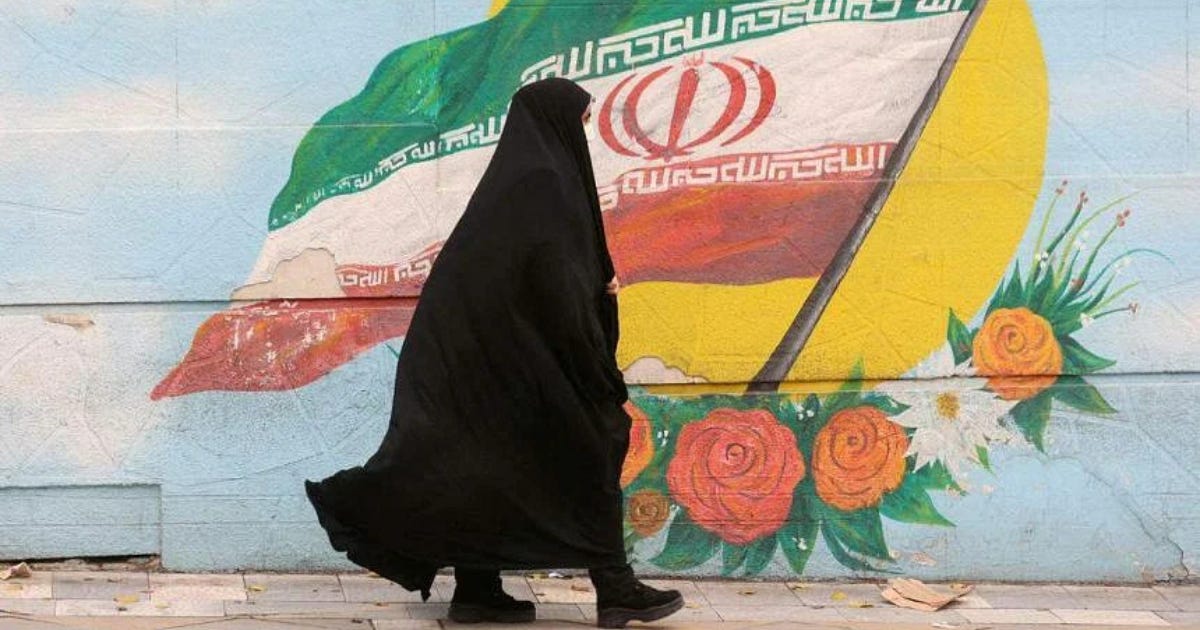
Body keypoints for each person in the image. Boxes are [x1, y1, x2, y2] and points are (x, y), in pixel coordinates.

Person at [304, 78, 684, 628]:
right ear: (555, 124)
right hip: (519, 361)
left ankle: (477, 589)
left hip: (485, 364)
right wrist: (595, 322)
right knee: (592, 447)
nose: (584, 133)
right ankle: (616, 587)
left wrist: (592, 287)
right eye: (579, 121)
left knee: (487, 465)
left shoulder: (517, 185)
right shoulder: (545, 185)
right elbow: (554, 281)